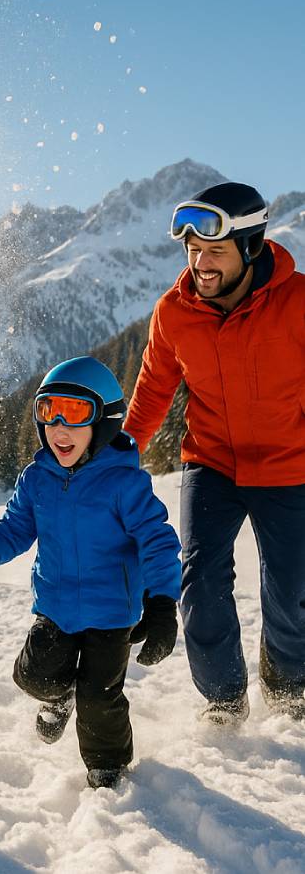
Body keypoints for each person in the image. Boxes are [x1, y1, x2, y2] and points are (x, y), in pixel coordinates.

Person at [0, 356, 181, 789]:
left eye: (76, 413)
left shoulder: (125, 484)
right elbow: (15, 528)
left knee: (100, 699)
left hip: (111, 613)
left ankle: (108, 767)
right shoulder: (37, 479)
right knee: (34, 676)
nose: (59, 427)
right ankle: (56, 697)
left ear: (104, 422)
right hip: (56, 606)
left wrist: (161, 605)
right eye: (48, 412)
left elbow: (157, 541)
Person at [125, 181, 305, 725]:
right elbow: (153, 390)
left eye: (215, 251)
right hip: (211, 463)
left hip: (289, 465)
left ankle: (289, 683)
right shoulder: (174, 312)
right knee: (199, 584)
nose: (201, 263)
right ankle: (224, 700)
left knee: (292, 592)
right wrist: (118, 459)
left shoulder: (297, 304)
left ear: (250, 248)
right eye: (193, 250)